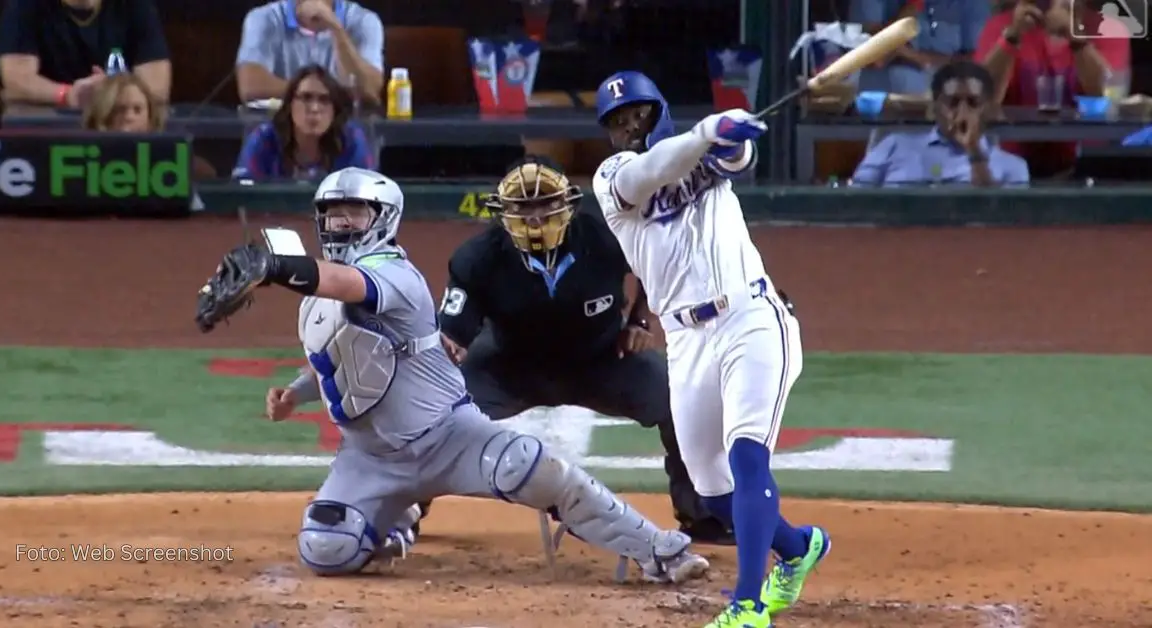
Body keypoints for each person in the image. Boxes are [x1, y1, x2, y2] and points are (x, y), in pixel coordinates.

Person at [196, 167, 711, 586]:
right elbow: (343, 355)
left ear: (384, 217)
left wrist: (273, 265)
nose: (343, 224)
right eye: (332, 214)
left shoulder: (392, 274)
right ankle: (393, 521)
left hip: (450, 438)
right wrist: (297, 393)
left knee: (540, 472)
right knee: (326, 550)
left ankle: (657, 548)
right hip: (369, 457)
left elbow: (339, 279)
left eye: (355, 213)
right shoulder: (316, 304)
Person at [590, 71, 829, 628]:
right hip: (686, 339)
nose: (630, 128)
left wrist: (732, 134)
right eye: (618, 123)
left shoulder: (706, 156)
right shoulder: (613, 179)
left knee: (748, 457)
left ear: (659, 112)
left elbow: (735, 158)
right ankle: (797, 548)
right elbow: (656, 168)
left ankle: (747, 606)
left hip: (750, 318)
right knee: (710, 489)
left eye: (639, 115)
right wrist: (707, 131)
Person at [424, 155, 733, 545]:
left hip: (601, 361)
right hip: (509, 366)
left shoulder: (606, 237)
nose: (535, 218)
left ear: (568, 204)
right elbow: (455, 330)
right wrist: (449, 346)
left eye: (544, 204)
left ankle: (703, 514)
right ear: (502, 211)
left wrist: (639, 320)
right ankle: (406, 510)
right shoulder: (476, 258)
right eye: (523, 207)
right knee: (432, 410)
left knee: (680, 399)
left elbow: (656, 267)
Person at [974, 0, 1130, 176]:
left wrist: (1074, 36)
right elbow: (982, 99)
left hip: (1089, 168)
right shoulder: (1000, 26)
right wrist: (1012, 37)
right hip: (1011, 168)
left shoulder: (1109, 29)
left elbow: (1107, 98)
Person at [851, 61, 1028, 187]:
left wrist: (974, 150)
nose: (963, 112)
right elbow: (854, 204)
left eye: (973, 103)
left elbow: (996, 221)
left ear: (987, 110)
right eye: (953, 102)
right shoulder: (893, 146)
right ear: (935, 107)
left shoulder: (1013, 168)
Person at [0, 0, 171, 109]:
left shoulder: (134, 5)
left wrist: (110, 95)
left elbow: (157, 86)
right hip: (49, 125)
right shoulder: (25, 5)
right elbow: (16, 80)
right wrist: (69, 95)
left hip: (117, 122)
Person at [232, 65, 375, 182]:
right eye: (306, 98)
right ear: (290, 104)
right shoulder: (264, 137)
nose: (314, 108)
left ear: (334, 109)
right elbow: (243, 195)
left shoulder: (351, 139)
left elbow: (368, 196)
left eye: (324, 100)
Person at [236, 0, 384, 106]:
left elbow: (369, 91)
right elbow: (250, 87)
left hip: (344, 132)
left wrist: (335, 28)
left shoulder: (364, 21)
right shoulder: (263, 18)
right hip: (278, 131)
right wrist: (325, 93)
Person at [82, 73, 218, 181]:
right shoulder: (81, 166)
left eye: (137, 110)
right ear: (103, 115)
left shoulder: (181, 167)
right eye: (120, 110)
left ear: (150, 117)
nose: (129, 117)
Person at [851, 0, 992, 94]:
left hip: (945, 106)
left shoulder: (972, 3)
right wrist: (915, 4)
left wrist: (912, 55)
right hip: (883, 109)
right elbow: (875, 58)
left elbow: (976, 65)